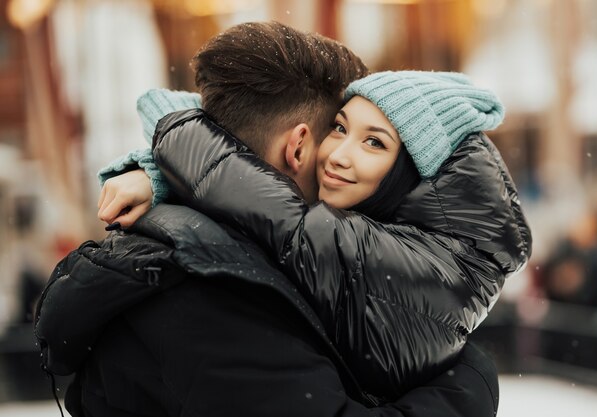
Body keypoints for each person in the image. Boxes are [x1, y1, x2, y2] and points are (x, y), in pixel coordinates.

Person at [34, 22, 503, 417]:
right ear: (298, 147)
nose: (344, 158)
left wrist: (160, 168)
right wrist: (468, 377)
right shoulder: (218, 292)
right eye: (337, 132)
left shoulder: (212, 250)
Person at [99, 70, 530, 400]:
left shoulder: (439, 268)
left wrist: (170, 136)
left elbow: (284, 220)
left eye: (374, 143)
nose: (337, 156)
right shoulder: (391, 225)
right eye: (340, 128)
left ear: (413, 170)